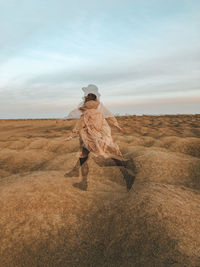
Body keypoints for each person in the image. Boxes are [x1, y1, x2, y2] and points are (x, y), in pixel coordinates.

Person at [58, 85, 136, 191]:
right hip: (96, 136)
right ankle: (83, 181)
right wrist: (117, 126)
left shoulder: (87, 111)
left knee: (98, 160)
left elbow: (78, 124)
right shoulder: (98, 110)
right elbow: (108, 116)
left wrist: (70, 135)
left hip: (90, 138)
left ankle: (127, 165)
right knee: (83, 157)